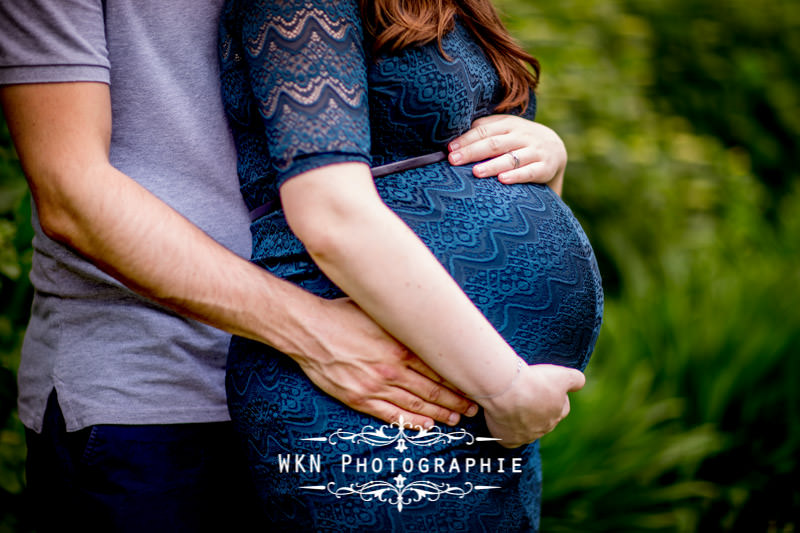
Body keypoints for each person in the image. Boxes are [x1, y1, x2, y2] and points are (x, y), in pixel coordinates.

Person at [0, 1, 576, 531]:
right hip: (158, 393)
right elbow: (72, 190)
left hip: (392, 378)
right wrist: (316, 333)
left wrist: (533, 154)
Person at [219, 0, 604, 531]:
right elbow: (330, 213)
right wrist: (505, 389)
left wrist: (547, 156)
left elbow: (482, 190)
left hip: (481, 389)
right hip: (376, 397)